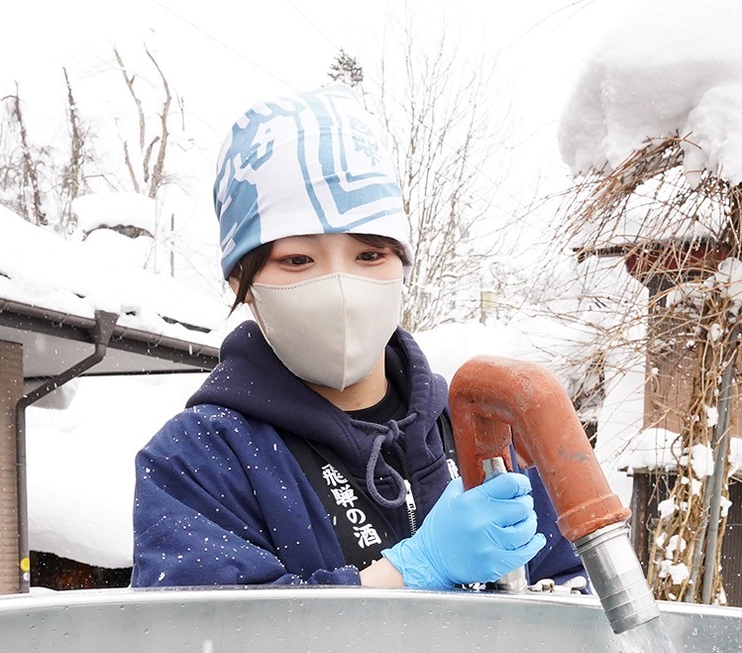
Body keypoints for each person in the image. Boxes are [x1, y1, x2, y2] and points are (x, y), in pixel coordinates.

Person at [134, 86, 584, 593]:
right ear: (242, 281)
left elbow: (575, 600)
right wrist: (411, 571)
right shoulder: (199, 459)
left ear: (402, 264)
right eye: (297, 260)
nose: (342, 292)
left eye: (369, 255)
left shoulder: (479, 433)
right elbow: (203, 651)